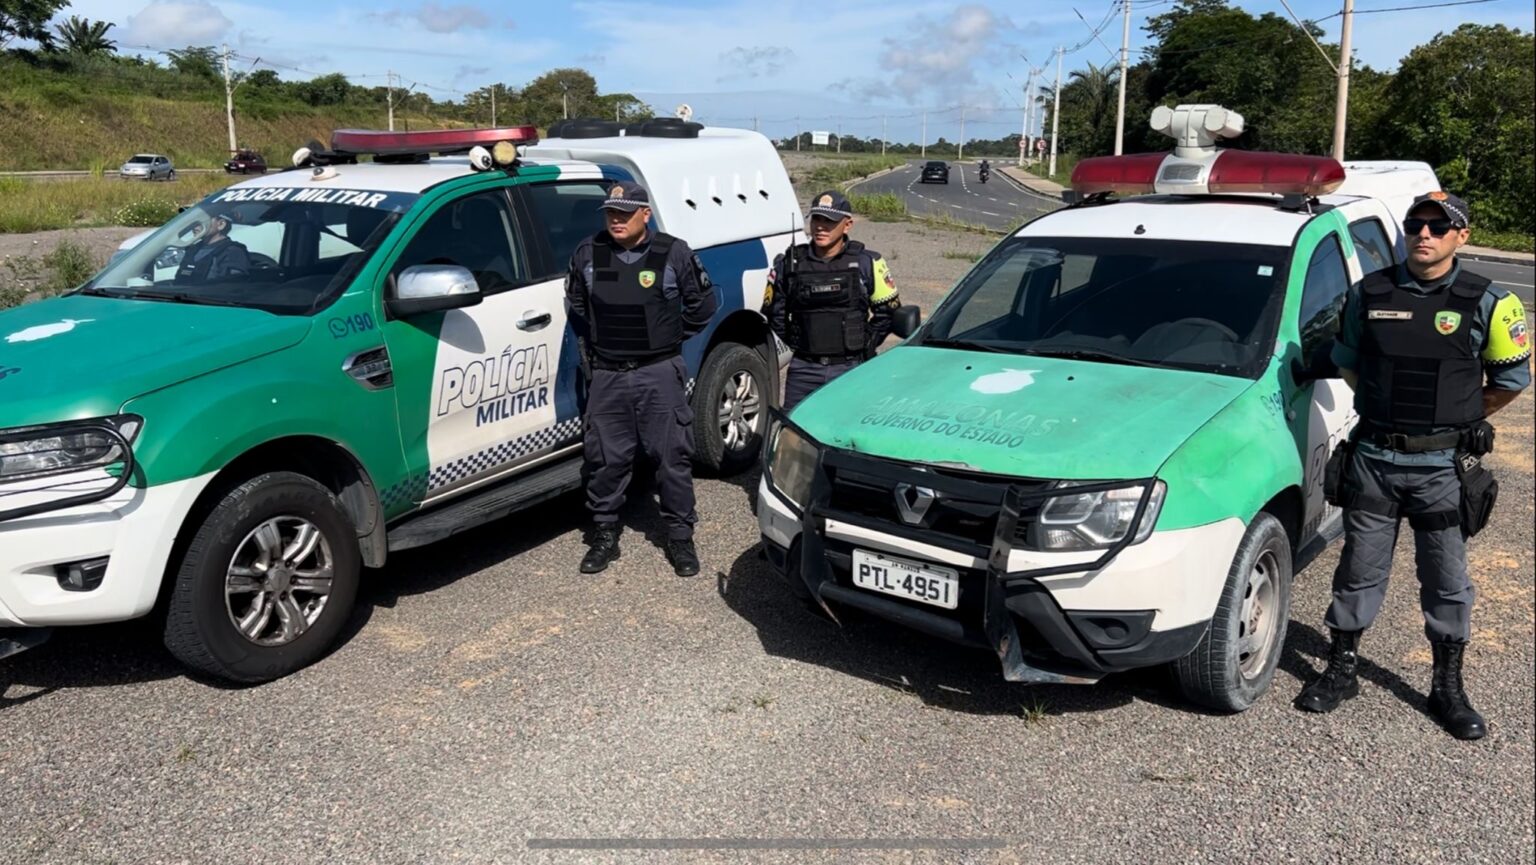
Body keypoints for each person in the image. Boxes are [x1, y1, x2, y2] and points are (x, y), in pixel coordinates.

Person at [1297, 191, 1530, 740]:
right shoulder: (1368, 293)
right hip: (1375, 458)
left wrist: (1460, 419)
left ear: (1461, 236)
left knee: (1447, 580)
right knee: (1357, 572)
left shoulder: (1492, 302)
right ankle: (1342, 669)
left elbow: (1510, 381)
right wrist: (1385, 409)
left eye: (1438, 226)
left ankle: (1447, 687)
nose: (1424, 234)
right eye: (1416, 224)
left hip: (1442, 469)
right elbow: (1351, 364)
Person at [565, 181, 718, 577]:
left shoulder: (673, 252)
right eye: (610, 213)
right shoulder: (588, 253)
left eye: (625, 213)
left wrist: (667, 336)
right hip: (609, 375)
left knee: (672, 459)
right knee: (605, 460)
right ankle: (603, 535)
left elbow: (703, 305)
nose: (615, 220)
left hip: (658, 374)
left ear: (644, 214)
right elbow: (578, 305)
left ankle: (681, 538)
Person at [763, 190, 901, 410]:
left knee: (849, 432)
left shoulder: (868, 263)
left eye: (829, 221)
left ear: (847, 225)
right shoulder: (788, 264)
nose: (820, 227)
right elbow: (774, 311)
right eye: (816, 219)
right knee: (793, 432)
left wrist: (865, 343)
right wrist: (799, 341)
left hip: (850, 367)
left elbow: (888, 312)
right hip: (803, 369)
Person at [175, 213, 251, 283]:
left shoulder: (233, 252)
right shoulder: (193, 249)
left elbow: (231, 288)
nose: (195, 226)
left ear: (221, 224)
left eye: (202, 220)